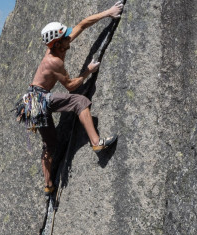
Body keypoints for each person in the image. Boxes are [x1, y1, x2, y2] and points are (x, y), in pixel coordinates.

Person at [16, 1, 124, 195]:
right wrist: (88, 71)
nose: (69, 38)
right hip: (40, 100)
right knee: (79, 101)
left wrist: (109, 13)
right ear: (58, 43)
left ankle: (49, 185)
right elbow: (71, 86)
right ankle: (97, 143)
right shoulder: (54, 61)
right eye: (66, 37)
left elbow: (82, 24)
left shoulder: (58, 46)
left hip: (32, 102)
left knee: (51, 145)